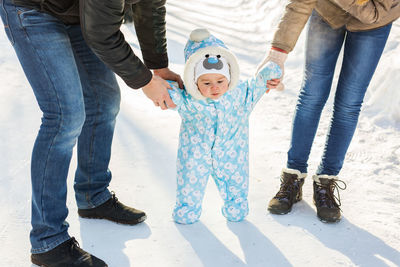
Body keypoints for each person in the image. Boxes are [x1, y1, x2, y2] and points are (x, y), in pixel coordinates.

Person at [0, 0, 183, 266]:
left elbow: (150, 6)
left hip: (77, 13)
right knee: (64, 116)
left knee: (104, 100)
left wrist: (159, 66)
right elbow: (101, 34)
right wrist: (144, 81)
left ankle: (92, 195)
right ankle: (47, 240)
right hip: (31, 10)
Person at [259, 0, 400, 223]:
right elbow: (300, 3)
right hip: (326, 13)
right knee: (311, 95)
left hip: (373, 24)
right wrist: (278, 53)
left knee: (349, 103)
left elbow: (372, 14)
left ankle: (326, 180)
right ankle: (293, 177)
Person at [167, 28, 282, 224]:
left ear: (229, 75)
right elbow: (170, 93)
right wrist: (165, 87)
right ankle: (187, 209)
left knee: (236, 183)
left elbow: (257, 84)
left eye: (220, 80)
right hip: (195, 153)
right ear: (193, 81)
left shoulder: (239, 96)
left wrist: (269, 75)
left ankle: (236, 207)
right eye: (206, 82)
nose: (215, 87)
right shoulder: (189, 100)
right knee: (189, 181)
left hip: (232, 154)